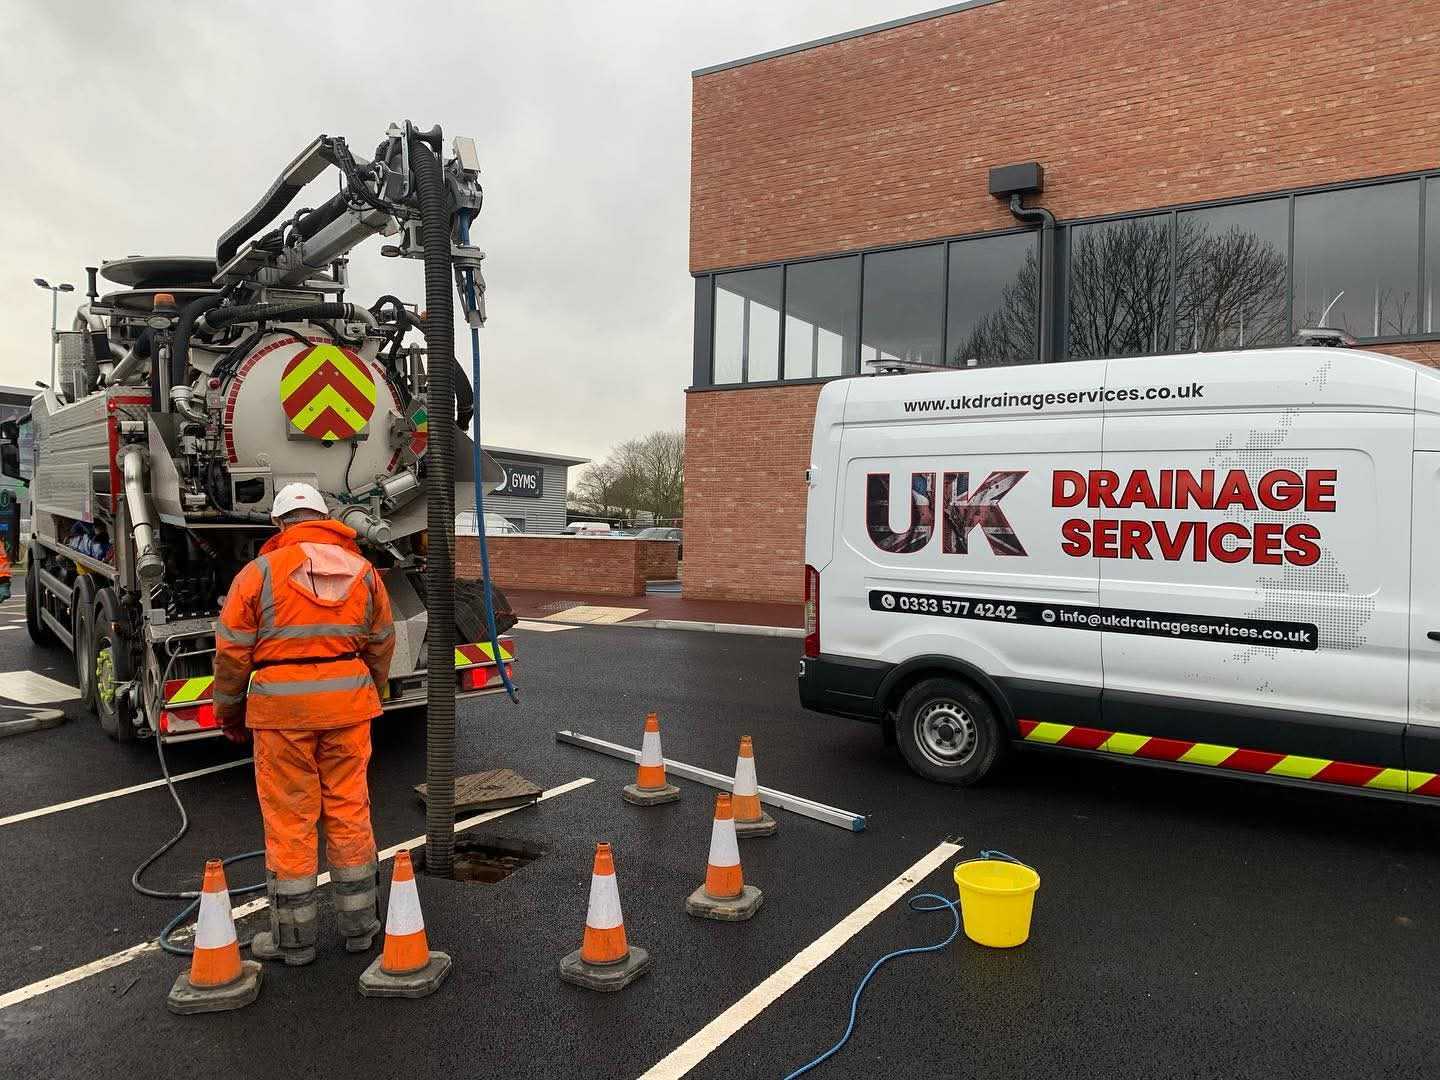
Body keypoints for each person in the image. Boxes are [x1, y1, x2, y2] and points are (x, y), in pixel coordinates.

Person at [213, 482, 395, 966]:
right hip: (348, 708)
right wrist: (369, 689)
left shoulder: (258, 574)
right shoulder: (363, 571)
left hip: (282, 715)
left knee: (290, 820)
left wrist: (229, 712)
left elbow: (232, 653)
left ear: (279, 523)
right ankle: (361, 929)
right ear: (325, 518)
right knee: (350, 809)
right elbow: (381, 641)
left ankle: (295, 942)